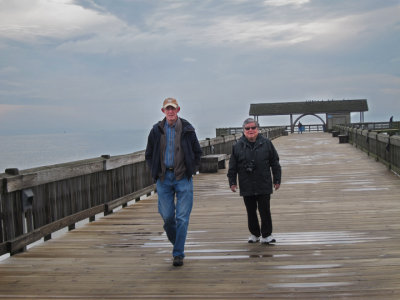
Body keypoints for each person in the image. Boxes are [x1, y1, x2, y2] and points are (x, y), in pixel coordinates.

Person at [145, 97, 202, 267]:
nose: (170, 111)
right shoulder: (156, 130)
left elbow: (197, 152)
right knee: (168, 217)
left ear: (178, 110)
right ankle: (177, 242)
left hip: (183, 177)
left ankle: (178, 253)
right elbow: (149, 154)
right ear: (163, 111)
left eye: (173, 108)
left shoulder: (188, 129)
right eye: (167, 109)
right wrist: (154, 171)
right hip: (163, 178)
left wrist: (192, 169)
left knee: (182, 218)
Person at [227, 118, 281, 244]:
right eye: (247, 128)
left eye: (253, 128)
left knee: (265, 210)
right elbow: (232, 166)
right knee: (251, 211)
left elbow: (275, 163)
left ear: (258, 129)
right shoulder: (237, 146)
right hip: (246, 184)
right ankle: (254, 234)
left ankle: (267, 235)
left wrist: (277, 179)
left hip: (264, 182)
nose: (250, 130)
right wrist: (232, 182)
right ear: (243, 130)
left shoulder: (267, 143)